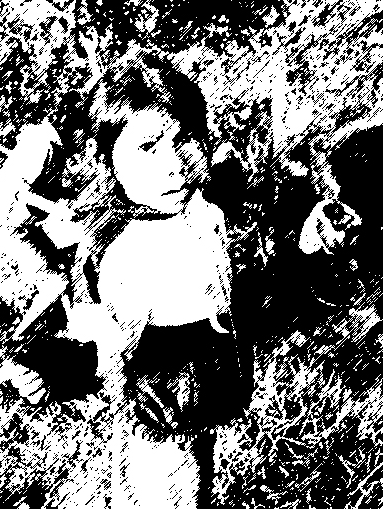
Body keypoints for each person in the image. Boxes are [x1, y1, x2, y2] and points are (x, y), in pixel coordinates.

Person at [54, 52, 251, 508]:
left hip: (202, 387)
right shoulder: (120, 247)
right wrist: (117, 379)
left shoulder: (205, 212)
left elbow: (222, 285)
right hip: (159, 412)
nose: (174, 163)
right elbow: (103, 342)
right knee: (163, 490)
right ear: (107, 160)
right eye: (148, 147)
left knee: (197, 478)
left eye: (184, 140)